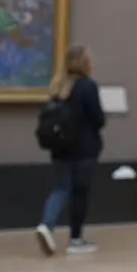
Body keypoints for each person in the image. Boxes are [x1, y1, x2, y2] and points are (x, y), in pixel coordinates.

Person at [35, 44, 106, 256]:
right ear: (84, 63)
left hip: (61, 148)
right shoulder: (87, 86)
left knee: (60, 188)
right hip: (84, 149)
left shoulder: (58, 86)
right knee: (80, 193)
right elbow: (98, 119)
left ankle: (46, 225)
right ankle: (76, 239)